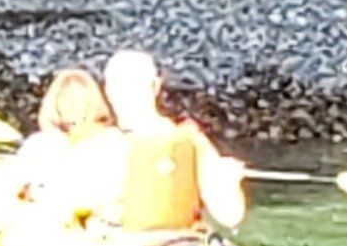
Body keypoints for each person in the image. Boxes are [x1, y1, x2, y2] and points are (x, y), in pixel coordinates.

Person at [89, 47, 246, 234]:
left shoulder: (188, 141)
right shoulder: (99, 142)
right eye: (116, 85)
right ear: (106, 89)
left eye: (134, 85)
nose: (123, 94)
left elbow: (229, 215)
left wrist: (226, 183)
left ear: (155, 86)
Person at [9, 67, 116, 224]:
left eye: (78, 101)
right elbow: (18, 193)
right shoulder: (39, 145)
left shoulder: (111, 143)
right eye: (68, 100)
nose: (73, 107)